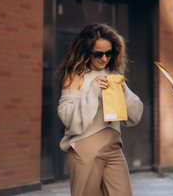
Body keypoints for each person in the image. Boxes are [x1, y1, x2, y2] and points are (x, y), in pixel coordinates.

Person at [57, 23, 143, 196]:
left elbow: (133, 117)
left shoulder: (113, 74)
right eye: (98, 54)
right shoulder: (75, 75)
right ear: (86, 51)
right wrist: (93, 91)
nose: (104, 58)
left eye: (109, 53)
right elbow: (66, 116)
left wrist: (125, 91)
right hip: (85, 148)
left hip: (113, 147)